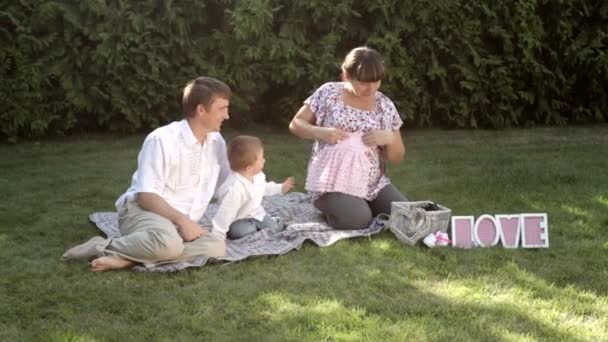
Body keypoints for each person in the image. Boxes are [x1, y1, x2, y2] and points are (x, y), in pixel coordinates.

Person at [62, 76, 232, 271]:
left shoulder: (216, 141)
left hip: (177, 225)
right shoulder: (162, 140)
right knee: (169, 244)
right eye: (222, 109)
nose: (227, 115)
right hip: (144, 210)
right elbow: (146, 196)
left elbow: (227, 184)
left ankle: (130, 258)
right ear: (201, 110)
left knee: (216, 247)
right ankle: (100, 246)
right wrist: (183, 221)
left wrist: (262, 188)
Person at [288, 46, 408, 230]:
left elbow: (397, 157)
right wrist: (321, 132)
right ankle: (344, 207)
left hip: (372, 183)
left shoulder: (385, 105)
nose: (371, 88)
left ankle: (359, 203)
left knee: (405, 214)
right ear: (346, 75)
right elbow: (295, 124)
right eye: (364, 82)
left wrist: (390, 138)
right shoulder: (329, 93)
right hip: (333, 182)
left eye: (376, 82)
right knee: (358, 220)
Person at [212, 135, 295, 240]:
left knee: (274, 227)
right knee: (239, 232)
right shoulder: (235, 189)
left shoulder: (258, 176)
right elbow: (224, 214)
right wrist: (218, 235)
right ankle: (255, 229)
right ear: (249, 167)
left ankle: (269, 223)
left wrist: (280, 188)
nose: (264, 160)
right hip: (237, 219)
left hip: (257, 214)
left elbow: (264, 187)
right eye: (261, 158)